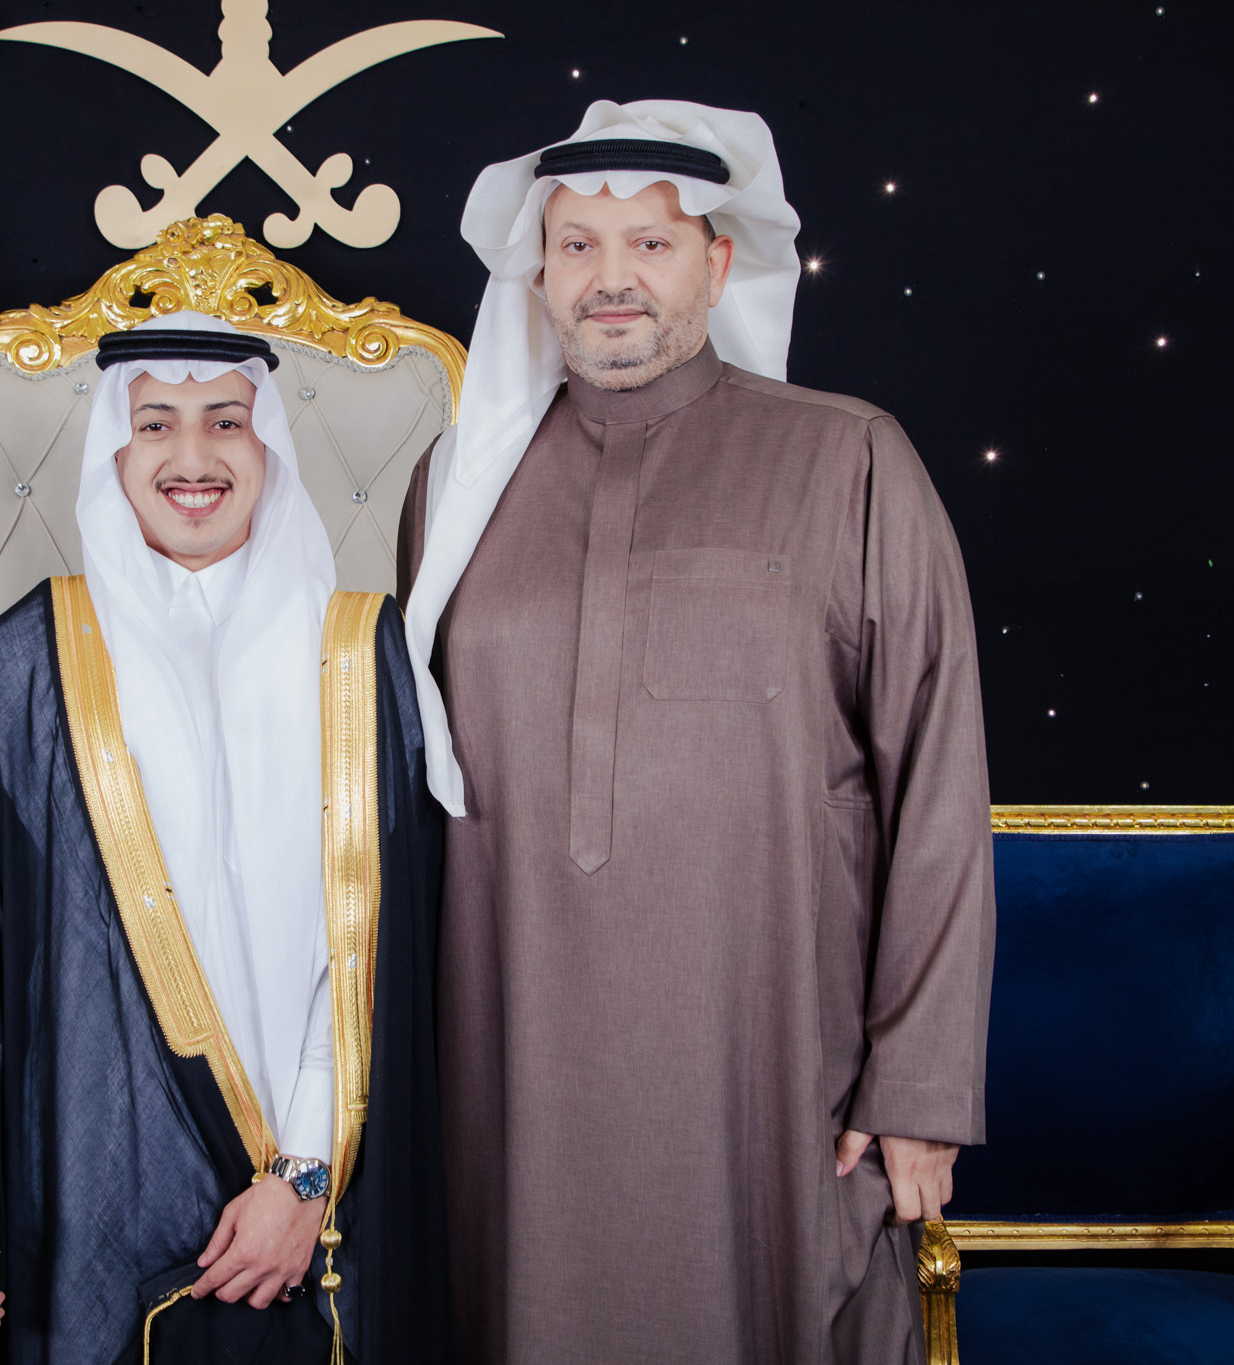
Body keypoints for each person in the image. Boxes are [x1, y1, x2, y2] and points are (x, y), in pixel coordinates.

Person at [397, 100, 996, 1363]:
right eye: (576, 245)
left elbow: (936, 786)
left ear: (717, 267)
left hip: (773, 1061)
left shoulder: (848, 458)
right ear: (537, 272)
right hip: (509, 1061)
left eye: (650, 244)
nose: (609, 278)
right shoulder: (451, 491)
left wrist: (918, 1087)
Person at [0, 312, 448, 1364]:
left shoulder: (364, 659)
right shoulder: (22, 671)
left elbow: (382, 956)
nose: (192, 456)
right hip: (94, 1193)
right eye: (155, 425)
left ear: (267, 442)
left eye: (225, 420)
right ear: (114, 449)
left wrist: (304, 1177)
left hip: (331, 1193)